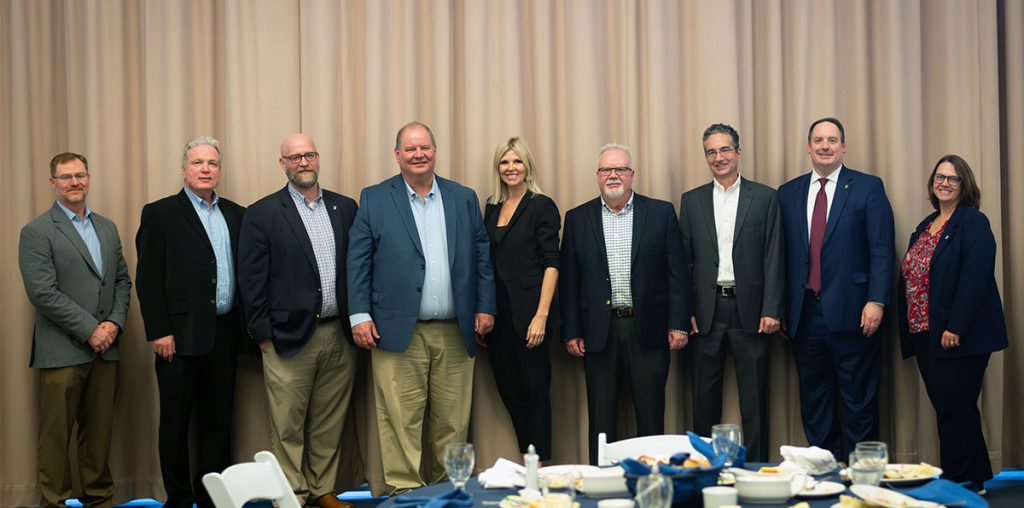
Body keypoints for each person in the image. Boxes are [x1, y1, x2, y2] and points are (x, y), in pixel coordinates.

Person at [347, 121, 496, 494]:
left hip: (454, 329)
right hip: (396, 331)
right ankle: (404, 496)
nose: (419, 154)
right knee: (401, 421)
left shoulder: (463, 197)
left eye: (425, 147)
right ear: (397, 155)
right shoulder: (375, 198)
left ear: (435, 151)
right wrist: (359, 314)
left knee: (452, 422)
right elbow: (358, 261)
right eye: (410, 149)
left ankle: (445, 493)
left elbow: (482, 255)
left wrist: (485, 306)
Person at [237, 134, 359, 508]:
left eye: (308, 155)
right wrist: (262, 336)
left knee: (329, 420)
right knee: (287, 424)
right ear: (283, 164)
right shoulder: (262, 213)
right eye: (294, 157)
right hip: (287, 339)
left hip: (338, 333)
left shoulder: (345, 207)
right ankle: (291, 495)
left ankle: (323, 490)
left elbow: (357, 269)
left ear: (318, 158)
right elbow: (251, 279)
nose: (302, 162)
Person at [560, 143, 690, 464]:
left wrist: (678, 323)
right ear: (598, 176)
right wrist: (571, 331)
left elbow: (677, 275)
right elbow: (569, 282)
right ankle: (602, 482)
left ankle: (652, 485)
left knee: (650, 417)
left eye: (620, 169)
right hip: (597, 333)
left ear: (632, 175)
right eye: (606, 170)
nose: (613, 175)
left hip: (648, 330)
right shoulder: (577, 219)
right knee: (601, 419)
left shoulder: (660, 213)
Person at [135, 136, 246, 508]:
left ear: (219, 170)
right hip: (178, 338)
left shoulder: (236, 213)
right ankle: (179, 498)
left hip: (224, 333)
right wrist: (159, 330)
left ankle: (213, 496)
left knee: (218, 423)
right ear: (184, 170)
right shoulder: (160, 213)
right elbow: (148, 279)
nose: (205, 169)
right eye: (198, 163)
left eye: (212, 163)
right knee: (176, 423)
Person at [777, 117, 895, 460]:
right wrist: (782, 308)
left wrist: (876, 300)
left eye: (832, 140)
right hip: (804, 315)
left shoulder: (868, 187)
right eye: (818, 140)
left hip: (856, 313)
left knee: (858, 400)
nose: (825, 146)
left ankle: (862, 476)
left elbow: (882, 248)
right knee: (815, 402)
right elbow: (781, 256)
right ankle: (825, 473)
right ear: (808, 147)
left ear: (844, 147)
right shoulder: (789, 192)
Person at [19, 152, 132, 508]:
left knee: (98, 436)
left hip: (107, 348)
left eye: (80, 175)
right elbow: (42, 292)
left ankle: (100, 498)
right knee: (55, 436)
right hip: (62, 350)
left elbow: (122, 282)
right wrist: (89, 330)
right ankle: (55, 502)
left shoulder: (107, 227)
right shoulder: (37, 232)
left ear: (89, 177)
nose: (74, 183)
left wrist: (113, 324)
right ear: (53, 183)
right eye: (66, 177)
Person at [897, 154, 1007, 492]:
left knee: (955, 409)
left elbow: (975, 277)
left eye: (953, 178)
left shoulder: (972, 222)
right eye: (940, 177)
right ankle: (971, 479)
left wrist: (955, 327)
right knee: (951, 409)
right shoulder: (926, 224)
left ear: (965, 185)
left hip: (957, 335)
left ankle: (962, 480)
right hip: (925, 333)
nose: (944, 183)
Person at [678, 124, 783, 461]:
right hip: (706, 313)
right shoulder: (691, 201)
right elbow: (685, 262)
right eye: (711, 151)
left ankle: (754, 471)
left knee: (754, 400)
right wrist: (686, 311)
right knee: (703, 399)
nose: (718, 157)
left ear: (739, 152)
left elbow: (774, 257)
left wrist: (772, 308)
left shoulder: (765, 197)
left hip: (750, 311)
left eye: (725, 150)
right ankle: (705, 467)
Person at [482, 137, 560, 462]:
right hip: (497, 318)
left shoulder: (541, 205)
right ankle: (526, 460)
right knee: (510, 392)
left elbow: (552, 263)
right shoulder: (491, 206)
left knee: (535, 393)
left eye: (516, 161)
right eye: (504, 162)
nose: (510, 168)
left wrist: (541, 315)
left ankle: (540, 467)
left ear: (527, 166)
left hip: (530, 317)